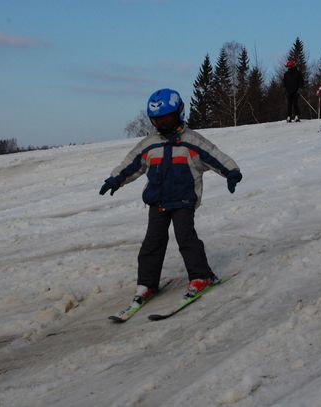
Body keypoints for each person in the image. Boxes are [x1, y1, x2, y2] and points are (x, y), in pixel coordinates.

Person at [100, 88, 242, 305]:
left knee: (186, 238)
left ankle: (201, 276)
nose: (162, 125)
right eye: (157, 121)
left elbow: (216, 156)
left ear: (179, 113)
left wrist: (231, 172)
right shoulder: (150, 144)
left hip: (184, 200)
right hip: (157, 201)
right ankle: (147, 283)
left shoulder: (191, 141)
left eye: (166, 119)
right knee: (152, 243)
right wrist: (115, 179)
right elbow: (131, 164)